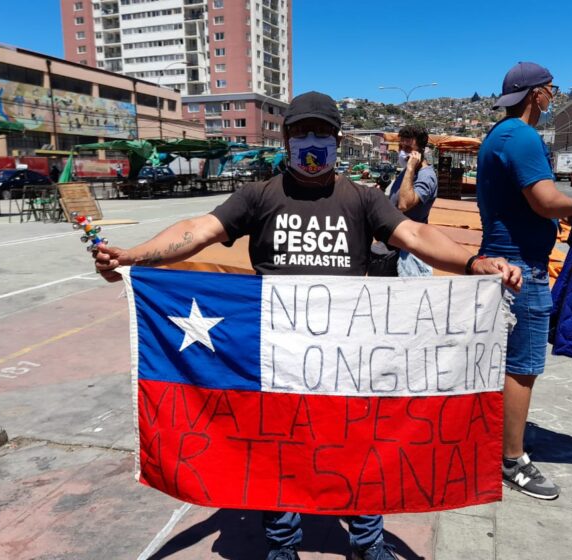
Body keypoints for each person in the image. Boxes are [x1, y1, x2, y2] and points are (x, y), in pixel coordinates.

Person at [94, 91, 523, 560]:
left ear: (337, 139)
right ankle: (282, 545)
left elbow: (415, 234)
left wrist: (473, 262)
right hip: (276, 358)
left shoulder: (361, 199)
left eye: (320, 132)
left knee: (360, 446)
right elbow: (197, 230)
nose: (311, 142)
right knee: (278, 451)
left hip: (349, 356)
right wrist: (133, 256)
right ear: (285, 137)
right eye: (301, 132)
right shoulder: (259, 196)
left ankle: (367, 541)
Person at [477, 62, 572, 501]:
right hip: (522, 268)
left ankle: (494, 440)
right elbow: (545, 201)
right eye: (552, 90)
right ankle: (512, 460)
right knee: (522, 366)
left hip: (498, 259)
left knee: (501, 362)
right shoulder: (524, 137)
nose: (553, 98)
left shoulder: (496, 135)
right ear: (535, 94)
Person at [387, 124, 438, 276]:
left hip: (411, 252)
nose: (402, 152)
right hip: (396, 245)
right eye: (401, 146)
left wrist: (409, 168)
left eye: (408, 148)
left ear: (420, 151)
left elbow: (404, 204)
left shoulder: (425, 176)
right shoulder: (407, 173)